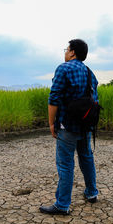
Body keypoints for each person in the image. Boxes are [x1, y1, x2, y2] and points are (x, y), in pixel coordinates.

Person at [39, 39, 99, 215]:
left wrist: (51, 123)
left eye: (67, 49)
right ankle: (91, 193)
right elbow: (94, 98)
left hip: (68, 125)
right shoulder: (89, 72)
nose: (65, 52)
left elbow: (54, 98)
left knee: (65, 164)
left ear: (72, 52)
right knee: (86, 157)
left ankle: (62, 205)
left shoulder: (63, 68)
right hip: (85, 125)